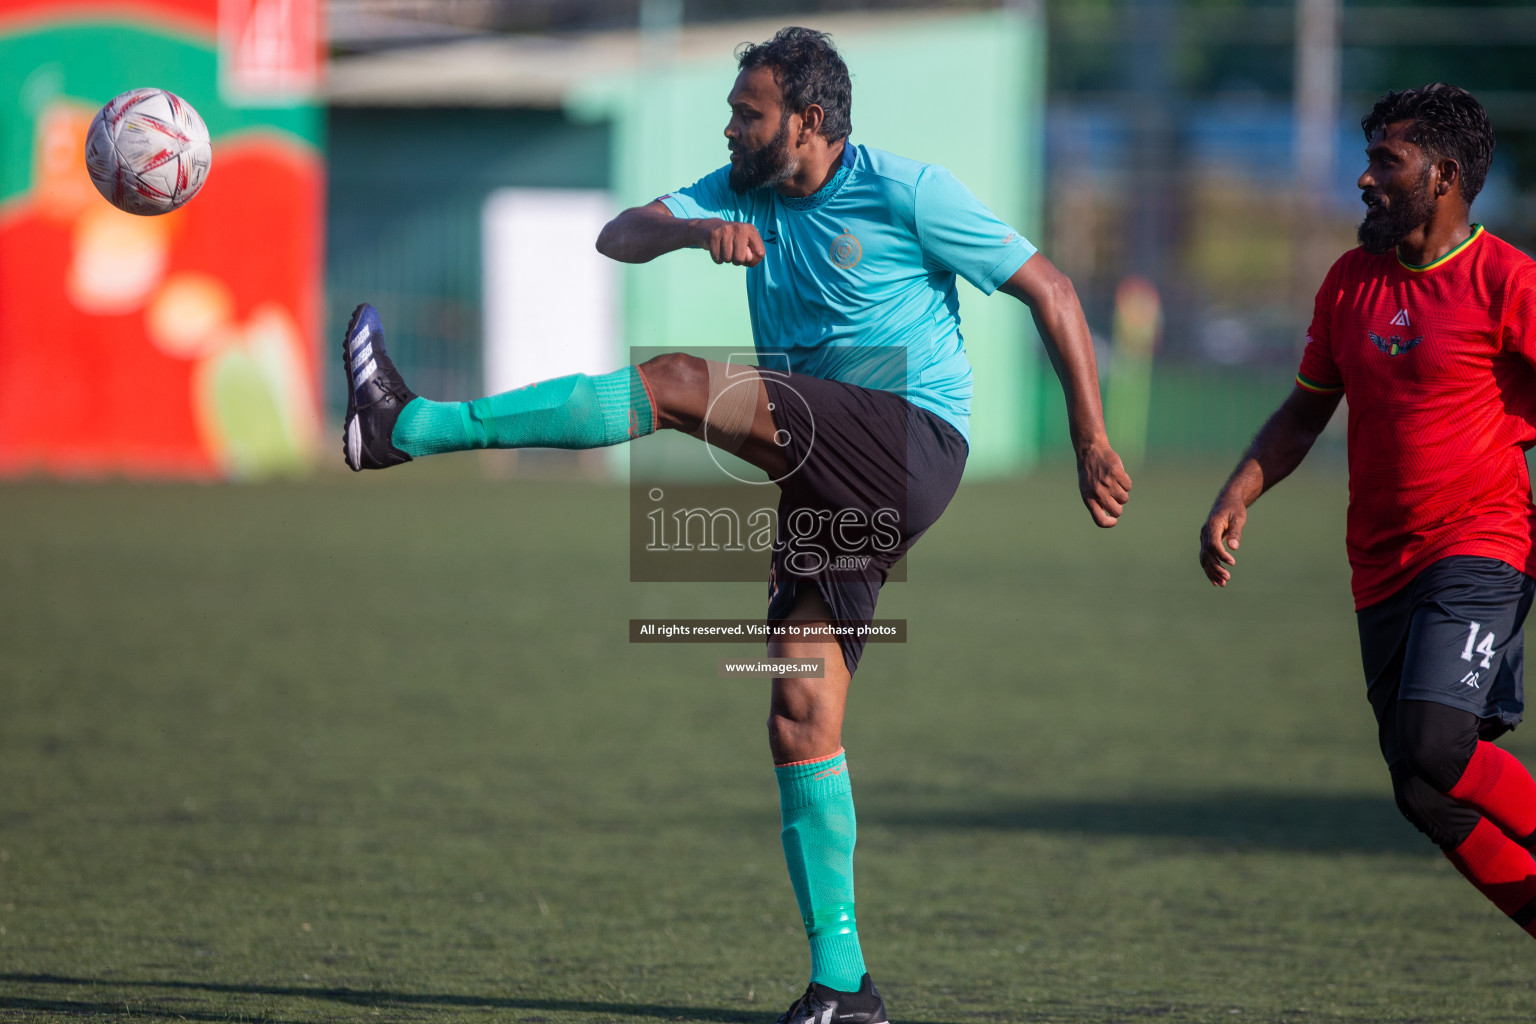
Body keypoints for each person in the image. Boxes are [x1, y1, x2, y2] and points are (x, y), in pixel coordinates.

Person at [343, 26, 1131, 1023]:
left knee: (674, 382)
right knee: (801, 714)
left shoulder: (906, 191)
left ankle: (408, 426)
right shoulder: (737, 187)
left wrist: (1091, 439)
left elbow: (1050, 289)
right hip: (826, 468)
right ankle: (845, 987)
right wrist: (688, 230)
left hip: (909, 438)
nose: (730, 126)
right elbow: (616, 232)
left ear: (807, 121)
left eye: (745, 112)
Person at [1199, 84, 1536, 939]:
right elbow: (1307, 409)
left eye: (1386, 161)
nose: (1363, 179)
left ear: (1446, 176)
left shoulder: (1508, 282)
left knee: (1434, 744)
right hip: (1380, 567)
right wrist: (1238, 493)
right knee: (1420, 788)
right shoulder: (1351, 282)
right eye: (1368, 159)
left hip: (1482, 545)